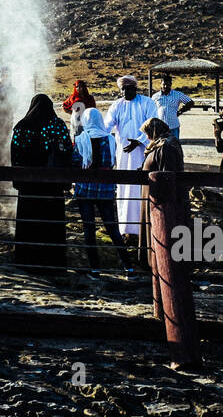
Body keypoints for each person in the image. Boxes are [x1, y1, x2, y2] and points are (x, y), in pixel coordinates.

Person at [9, 94, 73, 271]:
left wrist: (18, 179)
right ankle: (53, 263)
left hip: (29, 186)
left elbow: (15, 154)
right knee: (51, 225)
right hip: (53, 186)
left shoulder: (22, 126)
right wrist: (65, 180)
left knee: (29, 223)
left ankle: (26, 261)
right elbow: (67, 150)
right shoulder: (58, 125)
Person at [71, 108, 133, 275]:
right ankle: (128, 267)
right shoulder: (110, 139)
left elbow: (75, 161)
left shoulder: (81, 139)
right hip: (105, 189)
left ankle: (95, 269)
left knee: (89, 228)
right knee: (112, 227)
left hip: (85, 188)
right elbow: (113, 161)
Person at [104, 75, 160, 244]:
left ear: (135, 88)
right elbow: (107, 126)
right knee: (124, 189)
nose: (125, 92)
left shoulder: (147, 103)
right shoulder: (117, 105)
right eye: (122, 90)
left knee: (140, 189)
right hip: (123, 155)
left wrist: (140, 141)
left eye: (128, 89)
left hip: (143, 153)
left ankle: (143, 228)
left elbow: (155, 124)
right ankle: (126, 229)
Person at [151, 74, 194, 141]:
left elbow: (190, 102)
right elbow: (151, 110)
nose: (165, 86)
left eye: (168, 84)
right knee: (160, 147)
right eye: (164, 84)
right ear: (160, 84)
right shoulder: (155, 96)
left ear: (171, 84)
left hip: (173, 127)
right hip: (160, 128)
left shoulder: (177, 94)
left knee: (174, 147)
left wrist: (180, 111)